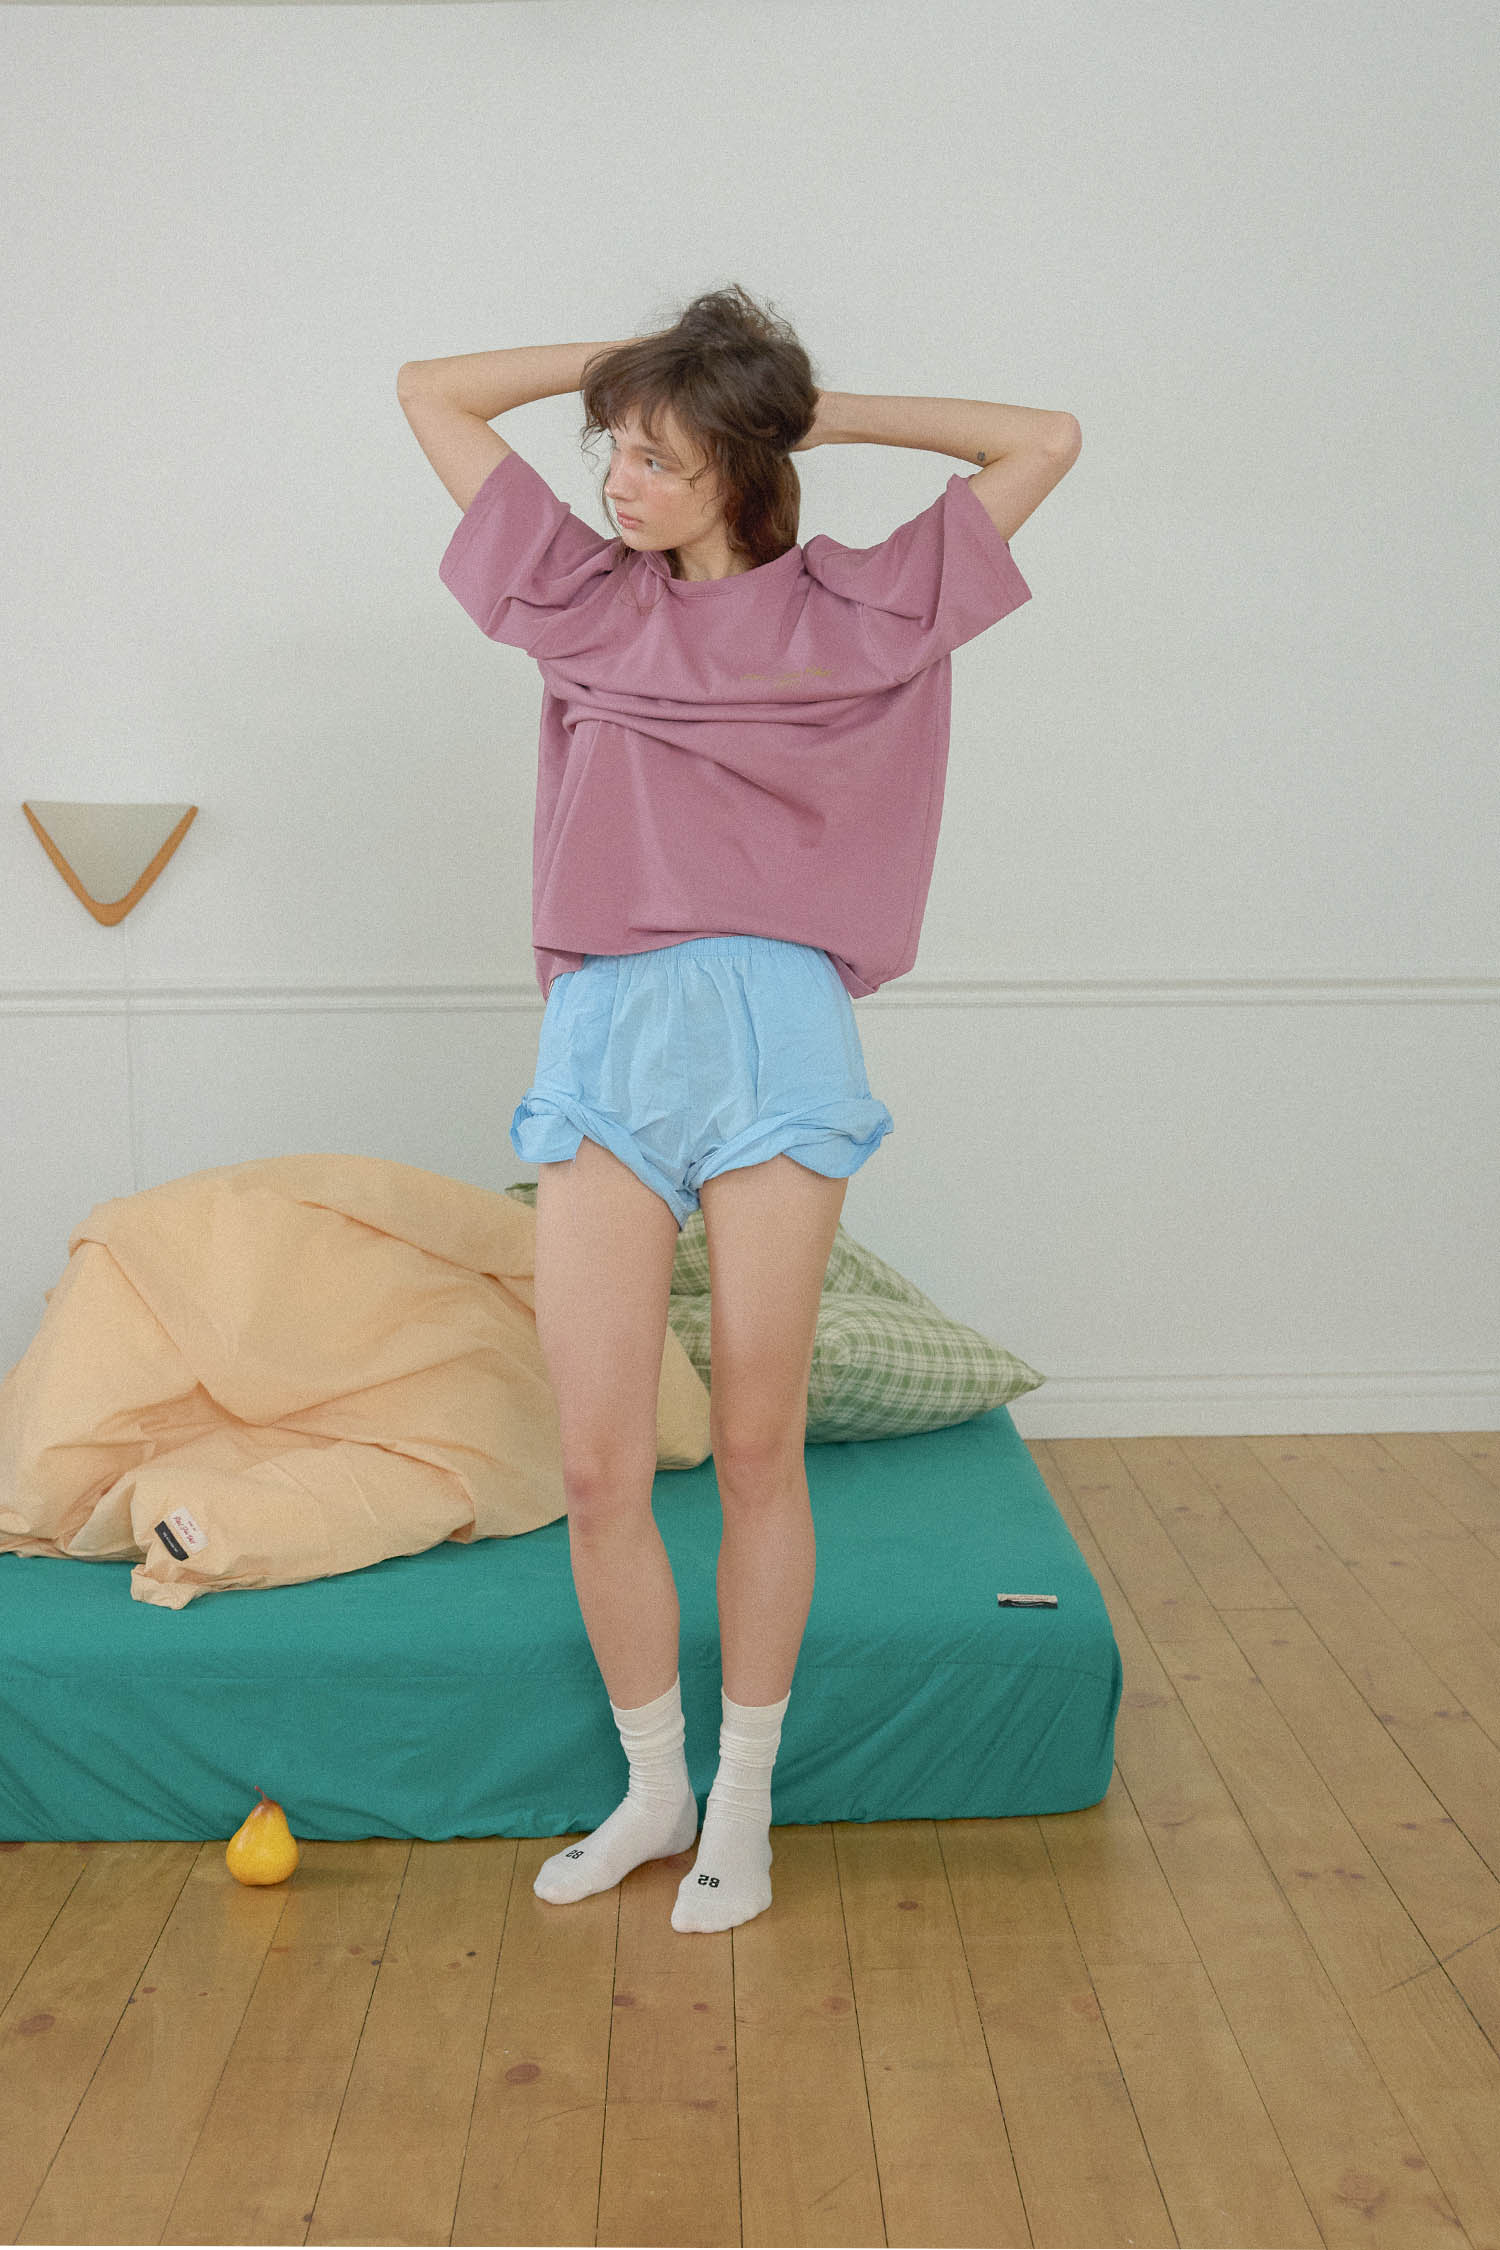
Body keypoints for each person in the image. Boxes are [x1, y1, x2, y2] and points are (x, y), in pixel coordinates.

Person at [398, 283, 1079, 1933]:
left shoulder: (864, 606)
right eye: (614, 451)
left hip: (778, 1032)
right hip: (606, 1031)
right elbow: (429, 390)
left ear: (743, 462)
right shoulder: (581, 593)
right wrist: (658, 375)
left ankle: (745, 1806)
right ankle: (655, 1788)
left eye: (657, 457)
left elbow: (1043, 440)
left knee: (762, 1440)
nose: (617, 481)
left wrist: (797, 404)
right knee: (598, 1458)